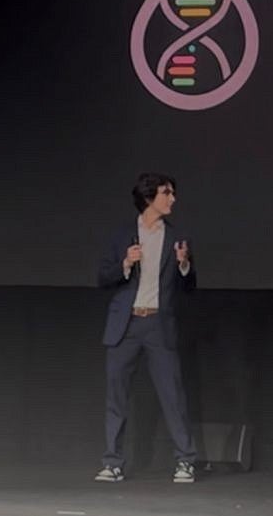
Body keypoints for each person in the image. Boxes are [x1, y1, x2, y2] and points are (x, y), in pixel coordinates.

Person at [94, 172, 197, 483]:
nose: (173, 199)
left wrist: (183, 264)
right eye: (167, 193)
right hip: (125, 325)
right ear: (150, 197)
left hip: (158, 324)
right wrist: (125, 264)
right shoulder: (123, 235)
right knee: (117, 396)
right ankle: (112, 462)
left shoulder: (177, 237)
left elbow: (189, 286)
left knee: (172, 394)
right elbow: (103, 277)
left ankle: (185, 461)